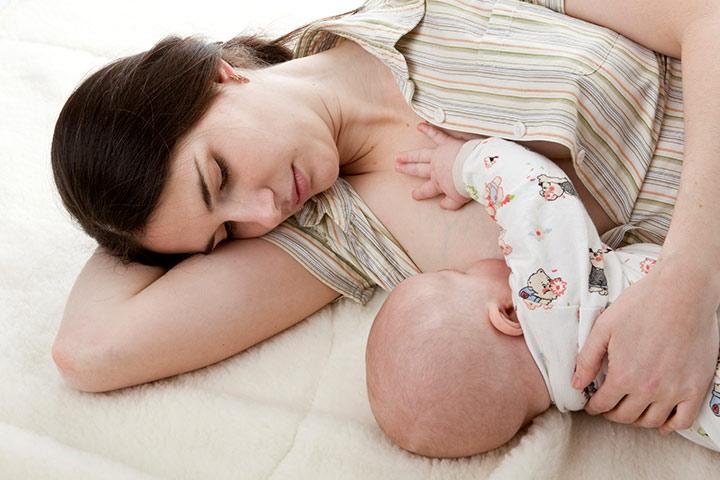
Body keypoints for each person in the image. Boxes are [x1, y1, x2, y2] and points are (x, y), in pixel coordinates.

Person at [50, 0, 720, 448]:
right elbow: (90, 350)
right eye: (223, 235)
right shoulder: (331, 232)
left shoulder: (434, 11)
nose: (260, 212)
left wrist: (690, 280)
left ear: (218, 76)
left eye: (218, 175)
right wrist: (130, 218)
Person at [365, 132, 720, 457]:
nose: (471, 263)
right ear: (507, 313)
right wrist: (463, 165)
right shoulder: (550, 298)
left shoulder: (596, 394)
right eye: (460, 274)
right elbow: (535, 190)